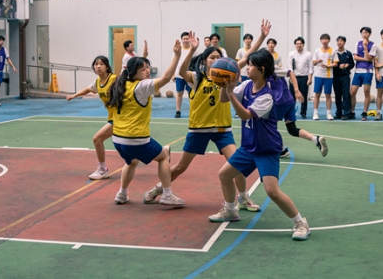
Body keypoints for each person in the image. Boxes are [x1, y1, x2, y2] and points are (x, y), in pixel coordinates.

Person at [143, 22, 269, 210]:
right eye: (212, 57)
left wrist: (262, 37)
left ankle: (244, 198)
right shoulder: (197, 77)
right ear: (205, 61)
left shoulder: (227, 74)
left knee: (236, 165)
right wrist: (192, 49)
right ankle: (159, 188)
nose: (216, 59)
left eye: (218, 57)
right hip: (199, 129)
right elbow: (181, 72)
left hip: (222, 129)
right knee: (180, 167)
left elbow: (248, 57)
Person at [209, 50, 311, 241]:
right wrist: (224, 84)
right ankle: (230, 210)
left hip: (266, 148)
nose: (247, 68)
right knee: (224, 174)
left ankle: (300, 222)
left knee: (272, 191)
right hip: (248, 146)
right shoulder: (246, 85)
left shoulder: (267, 96)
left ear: (261, 69)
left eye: (250, 65)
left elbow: (245, 114)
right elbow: (223, 99)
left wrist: (230, 92)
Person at [107, 41, 185, 206]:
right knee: (163, 156)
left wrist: (143, 57)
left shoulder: (120, 84)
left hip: (118, 139)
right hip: (135, 138)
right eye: (143, 69)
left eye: (147, 67)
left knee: (132, 161)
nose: (148, 70)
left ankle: (121, 194)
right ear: (134, 72)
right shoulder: (141, 86)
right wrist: (176, 56)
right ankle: (167, 194)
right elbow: (165, 78)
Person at [66, 56, 117, 179]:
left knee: (97, 139)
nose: (98, 66)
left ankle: (102, 169)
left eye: (101, 64)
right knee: (133, 145)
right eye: (96, 64)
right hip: (113, 117)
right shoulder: (98, 83)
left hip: (121, 117)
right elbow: (87, 89)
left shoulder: (114, 79)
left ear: (107, 67)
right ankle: (160, 154)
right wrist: (74, 95)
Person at [271, 64, 328, 158]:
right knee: (292, 129)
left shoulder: (270, 68)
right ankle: (315, 139)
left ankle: (281, 149)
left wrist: (297, 91)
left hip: (280, 102)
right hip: (289, 100)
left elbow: (291, 73)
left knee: (270, 127)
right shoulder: (266, 69)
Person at [351, 27, 376, 121]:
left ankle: (364, 112)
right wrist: (365, 59)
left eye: (366, 33)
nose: (364, 34)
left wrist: (365, 47)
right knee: (352, 92)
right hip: (358, 71)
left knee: (366, 92)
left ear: (370, 34)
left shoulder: (373, 45)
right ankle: (352, 112)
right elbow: (355, 57)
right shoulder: (357, 43)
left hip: (368, 71)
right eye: (363, 33)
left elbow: (370, 58)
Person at [312, 33, 338, 121]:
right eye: (323, 39)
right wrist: (317, 61)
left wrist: (328, 66)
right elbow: (314, 63)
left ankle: (329, 113)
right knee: (317, 94)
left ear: (329, 40)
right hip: (318, 75)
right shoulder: (317, 51)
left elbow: (336, 63)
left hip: (328, 76)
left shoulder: (333, 51)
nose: (324, 41)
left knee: (328, 95)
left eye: (326, 39)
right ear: (320, 41)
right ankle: (315, 113)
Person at [287, 37, 313, 119]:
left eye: (300, 44)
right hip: (293, 77)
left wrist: (310, 78)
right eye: (297, 44)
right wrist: (291, 78)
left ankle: (303, 112)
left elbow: (311, 67)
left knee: (304, 95)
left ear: (303, 44)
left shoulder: (308, 54)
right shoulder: (291, 54)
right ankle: (291, 111)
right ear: (295, 45)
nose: (299, 45)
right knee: (292, 96)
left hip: (304, 77)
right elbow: (290, 67)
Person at [333, 36, 355, 120]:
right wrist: (338, 66)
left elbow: (352, 64)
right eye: (338, 41)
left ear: (344, 42)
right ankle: (338, 113)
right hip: (336, 77)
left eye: (341, 41)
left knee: (346, 95)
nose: (339, 42)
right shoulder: (334, 53)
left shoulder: (348, 53)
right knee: (337, 95)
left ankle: (346, 113)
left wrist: (347, 65)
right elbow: (332, 64)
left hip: (345, 77)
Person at [173, 31, 192, 118]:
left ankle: (193, 110)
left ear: (189, 39)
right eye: (184, 39)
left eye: (187, 39)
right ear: (182, 40)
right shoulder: (178, 49)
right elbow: (174, 61)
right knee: (179, 92)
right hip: (179, 75)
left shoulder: (193, 49)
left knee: (191, 93)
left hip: (190, 75)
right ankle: (178, 111)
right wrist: (173, 74)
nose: (185, 40)